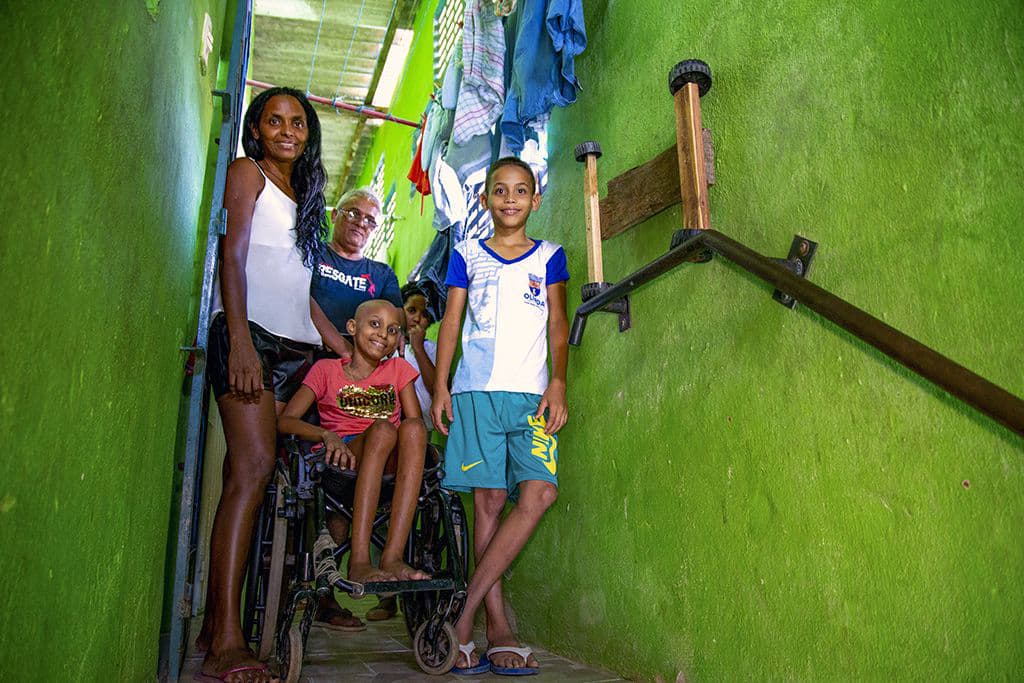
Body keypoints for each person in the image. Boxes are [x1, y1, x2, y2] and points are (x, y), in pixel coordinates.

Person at [197, 86, 330, 683]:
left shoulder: (307, 197)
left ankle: (214, 626)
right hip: (250, 338)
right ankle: (227, 643)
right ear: (256, 130)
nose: (287, 131)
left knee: (247, 478)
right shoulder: (246, 173)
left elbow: (300, 292)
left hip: (296, 349)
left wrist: (343, 344)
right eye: (274, 121)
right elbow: (234, 257)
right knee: (252, 472)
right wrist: (242, 342)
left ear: (308, 134)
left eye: (297, 122)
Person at [431, 157, 569, 676]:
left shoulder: (550, 256)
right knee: (487, 503)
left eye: (520, 190)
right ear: (485, 199)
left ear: (535, 199)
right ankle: (498, 628)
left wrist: (559, 382)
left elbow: (558, 323)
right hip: (476, 394)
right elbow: (451, 321)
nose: (510, 199)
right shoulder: (466, 254)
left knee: (540, 493)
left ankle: (464, 615)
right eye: (500, 190)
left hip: (532, 398)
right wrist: (441, 385)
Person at [277, 299, 430, 587]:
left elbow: (414, 428)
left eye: (393, 330)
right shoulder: (326, 370)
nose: (383, 334)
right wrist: (326, 435)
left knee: (413, 428)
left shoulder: (398, 369)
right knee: (383, 429)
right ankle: (359, 561)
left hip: (391, 467)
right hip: (342, 462)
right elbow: (285, 421)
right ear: (352, 327)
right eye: (375, 324)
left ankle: (392, 557)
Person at [308, 186, 405, 629]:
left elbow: (395, 329)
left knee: (354, 477)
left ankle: (371, 571)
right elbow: (301, 298)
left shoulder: (380, 274)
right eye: (353, 213)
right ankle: (322, 596)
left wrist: (362, 363)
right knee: (314, 488)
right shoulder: (313, 256)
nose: (361, 223)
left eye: (370, 219)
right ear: (336, 213)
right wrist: (341, 351)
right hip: (315, 371)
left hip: (365, 388)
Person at [364, 282, 440, 622]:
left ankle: (400, 577)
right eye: (412, 310)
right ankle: (385, 596)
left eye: (424, 315)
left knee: (411, 509)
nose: (417, 318)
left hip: (416, 439)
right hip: (379, 439)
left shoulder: (431, 349)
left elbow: (437, 388)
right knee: (379, 512)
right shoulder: (382, 345)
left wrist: (419, 347)